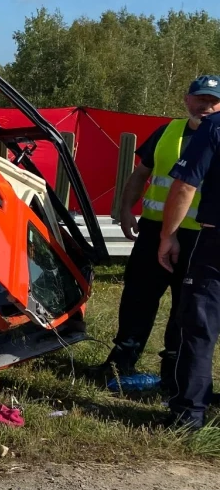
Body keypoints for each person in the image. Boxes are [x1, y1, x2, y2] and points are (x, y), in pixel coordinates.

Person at [94, 78, 220, 387]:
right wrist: (126, 208)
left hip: (199, 236)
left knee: (186, 306)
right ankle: (121, 360)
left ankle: (173, 373)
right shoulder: (167, 131)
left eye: (213, 101)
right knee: (138, 296)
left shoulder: (216, 135)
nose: (205, 106)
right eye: (200, 99)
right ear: (187, 99)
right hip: (154, 230)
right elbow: (141, 173)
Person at [158, 74, 220, 428]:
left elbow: (184, 187)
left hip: (216, 242)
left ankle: (189, 413)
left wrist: (168, 236)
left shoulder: (213, 128)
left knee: (200, 323)